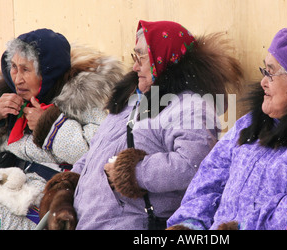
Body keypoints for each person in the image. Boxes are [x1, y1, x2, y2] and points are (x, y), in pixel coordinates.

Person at [41, 20, 244, 230]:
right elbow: (97, 151)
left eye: (142, 56)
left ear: (164, 57)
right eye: (134, 56)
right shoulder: (133, 99)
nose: (135, 66)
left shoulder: (189, 106)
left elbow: (193, 165)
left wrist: (134, 172)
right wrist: (68, 189)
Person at [0, 28, 124, 229]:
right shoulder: (7, 99)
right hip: (10, 186)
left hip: (55, 199)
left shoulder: (83, 100)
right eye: (14, 67)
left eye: (26, 70)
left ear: (48, 71)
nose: (17, 79)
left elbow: (99, 153)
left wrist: (51, 127)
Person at [167, 28, 287, 230]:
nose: (263, 82)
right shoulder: (248, 125)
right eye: (264, 71)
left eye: (271, 72)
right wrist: (190, 225)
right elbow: (211, 176)